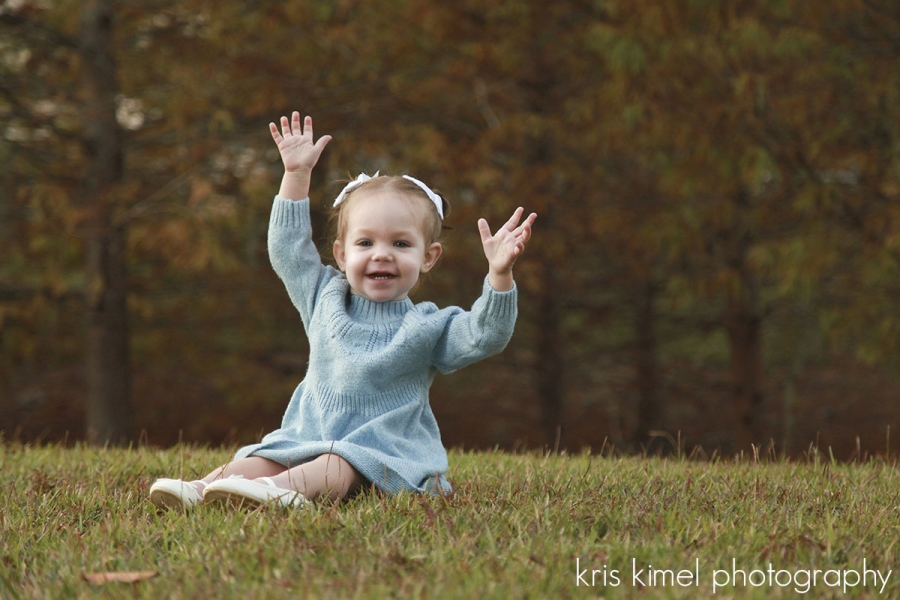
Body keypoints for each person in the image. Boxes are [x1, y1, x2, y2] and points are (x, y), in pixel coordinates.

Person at [149, 113, 537, 510]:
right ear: (340, 253)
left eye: (401, 244)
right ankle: (201, 489)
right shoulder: (324, 295)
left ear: (429, 257)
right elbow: (287, 250)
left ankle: (284, 491)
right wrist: (296, 174)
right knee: (259, 457)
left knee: (337, 462)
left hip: (382, 451)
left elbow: (485, 335)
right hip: (306, 434)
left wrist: (499, 274)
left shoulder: (428, 325)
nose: (381, 254)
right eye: (365, 242)